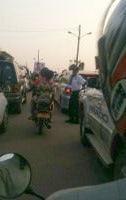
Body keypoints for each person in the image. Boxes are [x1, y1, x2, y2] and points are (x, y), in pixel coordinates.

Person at [47, 0, 126, 199]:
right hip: (75, 95)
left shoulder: (80, 79)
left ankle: (75, 120)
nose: (74, 71)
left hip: (76, 95)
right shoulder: (71, 78)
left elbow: (83, 84)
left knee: (75, 112)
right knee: (75, 112)